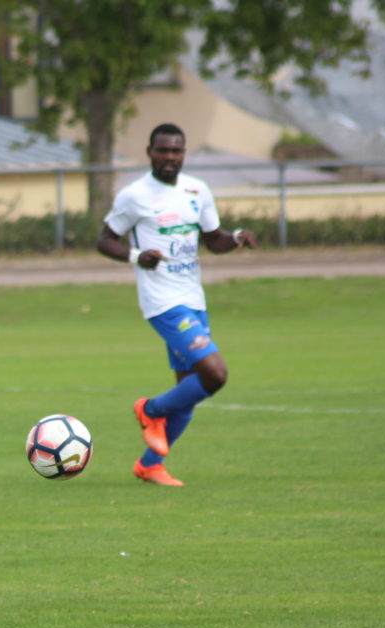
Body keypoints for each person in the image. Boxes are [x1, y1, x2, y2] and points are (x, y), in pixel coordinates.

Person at [96, 123, 257, 486]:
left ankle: (150, 465)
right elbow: (104, 240)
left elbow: (213, 240)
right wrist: (137, 256)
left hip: (193, 299)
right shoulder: (134, 195)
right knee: (214, 374)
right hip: (163, 303)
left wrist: (236, 238)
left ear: (184, 153)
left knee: (188, 392)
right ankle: (149, 409)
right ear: (150, 151)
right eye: (163, 150)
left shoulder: (197, 190)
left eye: (176, 151)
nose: (170, 157)